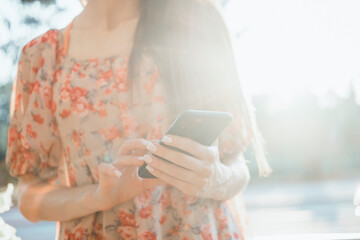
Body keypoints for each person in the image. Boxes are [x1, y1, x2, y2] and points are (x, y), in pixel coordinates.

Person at [5, 0, 272, 239]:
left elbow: (237, 164)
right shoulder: (42, 56)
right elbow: (29, 198)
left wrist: (215, 177)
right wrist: (98, 197)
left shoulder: (193, 21)